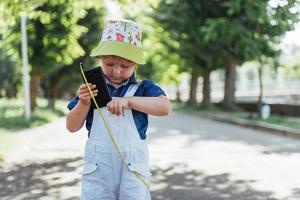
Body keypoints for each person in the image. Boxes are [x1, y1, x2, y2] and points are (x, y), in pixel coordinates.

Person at [66, 19, 171, 200]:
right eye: (109, 64)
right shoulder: (92, 88)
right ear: (100, 60)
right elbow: (72, 126)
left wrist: (129, 101)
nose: (116, 71)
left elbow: (165, 107)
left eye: (125, 66)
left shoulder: (143, 88)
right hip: (99, 169)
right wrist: (83, 103)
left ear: (136, 65)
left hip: (133, 168)